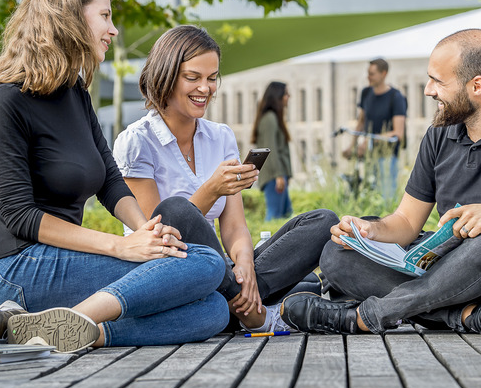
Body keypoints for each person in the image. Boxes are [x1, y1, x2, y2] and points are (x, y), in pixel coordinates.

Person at [0, 0, 229, 353]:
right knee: (206, 263)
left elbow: (111, 181)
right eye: (105, 16)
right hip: (16, 268)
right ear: (70, 16)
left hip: (65, 261)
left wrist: (146, 234)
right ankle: (71, 317)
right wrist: (119, 246)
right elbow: (19, 215)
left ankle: (72, 329)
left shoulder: (75, 91)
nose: (112, 30)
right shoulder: (6, 99)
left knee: (213, 310)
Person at [281, 29, 481, 337]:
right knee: (336, 253)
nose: (427, 90)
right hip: (451, 279)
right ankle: (469, 317)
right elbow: (407, 220)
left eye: (438, 81)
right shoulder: (440, 134)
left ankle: (366, 317)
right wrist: (368, 232)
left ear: (476, 86)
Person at [113, 26, 337, 334]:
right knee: (176, 210)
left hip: (221, 272)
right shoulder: (137, 141)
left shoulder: (220, 136)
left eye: (212, 78)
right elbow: (158, 238)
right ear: (165, 75)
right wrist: (210, 190)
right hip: (172, 273)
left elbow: (233, 226)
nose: (205, 88)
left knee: (323, 221)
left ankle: (240, 299)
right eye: (193, 77)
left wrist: (244, 264)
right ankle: (255, 315)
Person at [343, 58, 407, 200]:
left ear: (383, 73)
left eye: (372, 74)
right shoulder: (366, 93)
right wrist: (352, 146)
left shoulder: (396, 97)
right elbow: (361, 122)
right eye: (368, 73)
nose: (368, 77)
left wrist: (371, 141)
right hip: (368, 156)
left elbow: (398, 133)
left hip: (387, 156)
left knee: (386, 197)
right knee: (369, 195)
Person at [251, 82, 293, 221]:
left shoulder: (274, 118)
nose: (289, 97)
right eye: (286, 94)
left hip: (278, 175)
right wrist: (279, 175)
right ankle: (267, 243)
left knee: (286, 214)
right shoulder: (270, 119)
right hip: (273, 176)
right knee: (274, 216)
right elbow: (271, 149)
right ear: (278, 96)